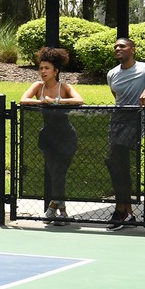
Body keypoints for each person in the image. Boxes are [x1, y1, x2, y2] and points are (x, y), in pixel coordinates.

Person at [104, 36, 145, 230]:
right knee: (120, 164)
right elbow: (117, 96)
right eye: (115, 46)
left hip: (136, 119)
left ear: (132, 49)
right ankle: (129, 213)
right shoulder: (112, 74)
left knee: (113, 159)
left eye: (122, 46)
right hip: (117, 120)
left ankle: (120, 210)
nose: (118, 48)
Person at [19, 47, 85, 224]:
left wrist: (56, 101)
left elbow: (79, 100)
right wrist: (41, 101)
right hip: (47, 137)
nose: (42, 72)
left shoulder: (64, 87)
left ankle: (53, 209)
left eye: (46, 68)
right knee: (54, 172)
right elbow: (23, 100)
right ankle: (61, 211)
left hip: (66, 137)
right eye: (40, 68)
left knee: (59, 172)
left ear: (56, 71)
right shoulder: (37, 87)